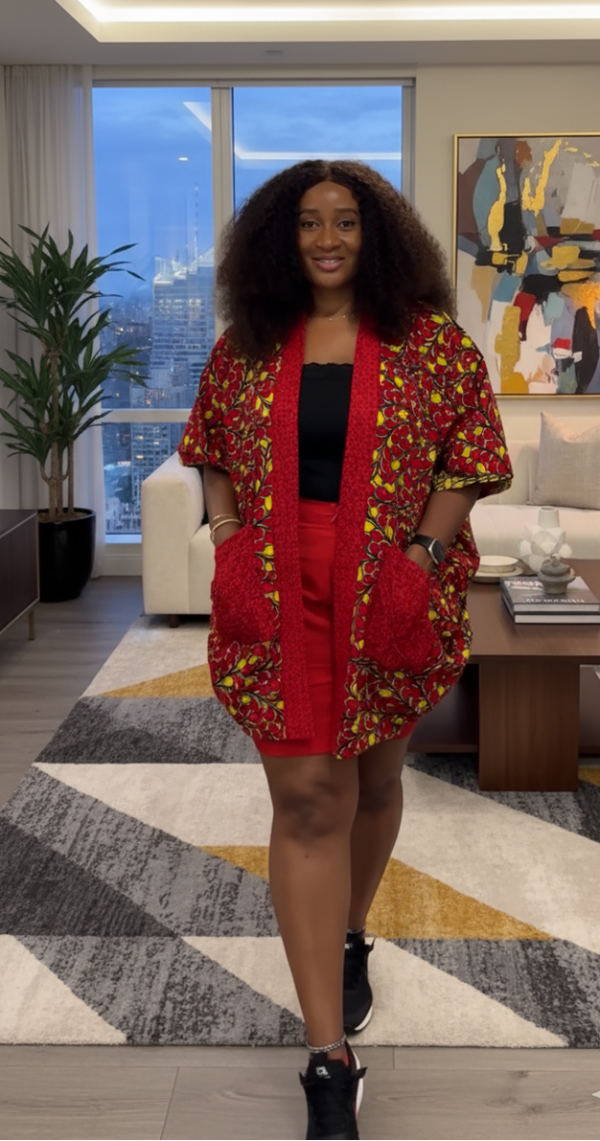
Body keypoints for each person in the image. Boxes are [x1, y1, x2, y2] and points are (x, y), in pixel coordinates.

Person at [178, 160, 512, 1141]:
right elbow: (211, 450)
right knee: (306, 799)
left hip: (386, 588)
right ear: (280, 239)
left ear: (378, 236)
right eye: (308, 223)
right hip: (279, 590)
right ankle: (329, 1060)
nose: (326, 239)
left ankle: (352, 932)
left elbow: (471, 456)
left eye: (347, 222)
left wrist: (421, 554)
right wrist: (230, 541)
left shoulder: (429, 343)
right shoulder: (246, 345)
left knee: (372, 783)